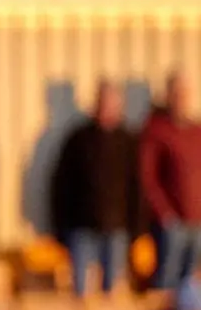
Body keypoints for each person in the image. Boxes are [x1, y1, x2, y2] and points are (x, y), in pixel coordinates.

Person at [50, 80, 143, 298]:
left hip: (117, 226)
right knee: (80, 293)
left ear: (120, 106)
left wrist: (138, 227)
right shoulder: (78, 139)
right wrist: (60, 226)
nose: (106, 107)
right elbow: (61, 185)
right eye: (102, 102)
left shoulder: (128, 141)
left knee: (111, 294)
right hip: (82, 226)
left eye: (112, 103)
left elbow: (137, 187)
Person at [141, 72, 201, 290]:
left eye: (185, 94)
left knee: (189, 288)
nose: (181, 99)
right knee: (167, 285)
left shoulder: (197, 131)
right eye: (177, 94)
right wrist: (164, 213)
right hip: (171, 225)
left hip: (197, 222)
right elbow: (148, 178)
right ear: (168, 96)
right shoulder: (157, 131)